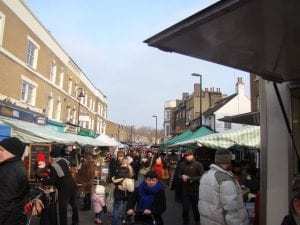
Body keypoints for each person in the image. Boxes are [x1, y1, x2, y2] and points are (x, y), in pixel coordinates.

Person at [198, 149, 249, 225]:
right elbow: (232, 211)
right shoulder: (225, 179)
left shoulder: (205, 175)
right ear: (228, 161)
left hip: (207, 221)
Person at [0, 137, 35, 225]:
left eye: (1, 150)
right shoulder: (11, 166)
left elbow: (4, 204)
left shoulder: (12, 170)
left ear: (12, 152)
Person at [44, 144, 79, 225]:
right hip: (72, 185)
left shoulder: (54, 165)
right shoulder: (64, 160)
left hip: (64, 188)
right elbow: (68, 171)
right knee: (74, 205)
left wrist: (44, 181)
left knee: (62, 209)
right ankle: (75, 221)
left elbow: (53, 180)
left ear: (52, 156)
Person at [179, 150, 204, 225]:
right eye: (186, 155)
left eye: (189, 155)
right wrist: (181, 176)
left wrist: (191, 179)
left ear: (193, 155)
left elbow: (202, 176)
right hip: (185, 190)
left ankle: (197, 221)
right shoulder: (182, 164)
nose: (188, 157)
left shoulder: (198, 164)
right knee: (185, 208)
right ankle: (185, 221)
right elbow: (178, 175)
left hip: (195, 190)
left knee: (195, 208)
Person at [111, 158, 135, 225]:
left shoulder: (118, 169)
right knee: (119, 210)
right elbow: (131, 183)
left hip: (117, 192)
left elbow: (114, 179)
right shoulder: (129, 170)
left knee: (116, 208)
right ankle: (117, 222)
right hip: (124, 194)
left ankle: (114, 222)